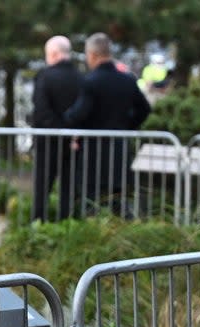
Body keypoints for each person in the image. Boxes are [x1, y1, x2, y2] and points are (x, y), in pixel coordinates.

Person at [64, 32, 150, 217]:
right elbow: (144, 109)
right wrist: (128, 126)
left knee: (90, 202)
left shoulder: (91, 82)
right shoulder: (127, 80)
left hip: (93, 153)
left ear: (93, 55)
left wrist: (67, 116)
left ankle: (91, 237)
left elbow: (79, 114)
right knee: (118, 200)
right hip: (119, 149)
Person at [30, 35, 83, 221]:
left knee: (42, 189)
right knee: (69, 189)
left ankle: (38, 224)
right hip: (74, 144)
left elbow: (41, 111)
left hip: (47, 142)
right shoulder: (81, 78)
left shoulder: (45, 76)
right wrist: (69, 134)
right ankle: (67, 224)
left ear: (53, 53)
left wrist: (59, 131)